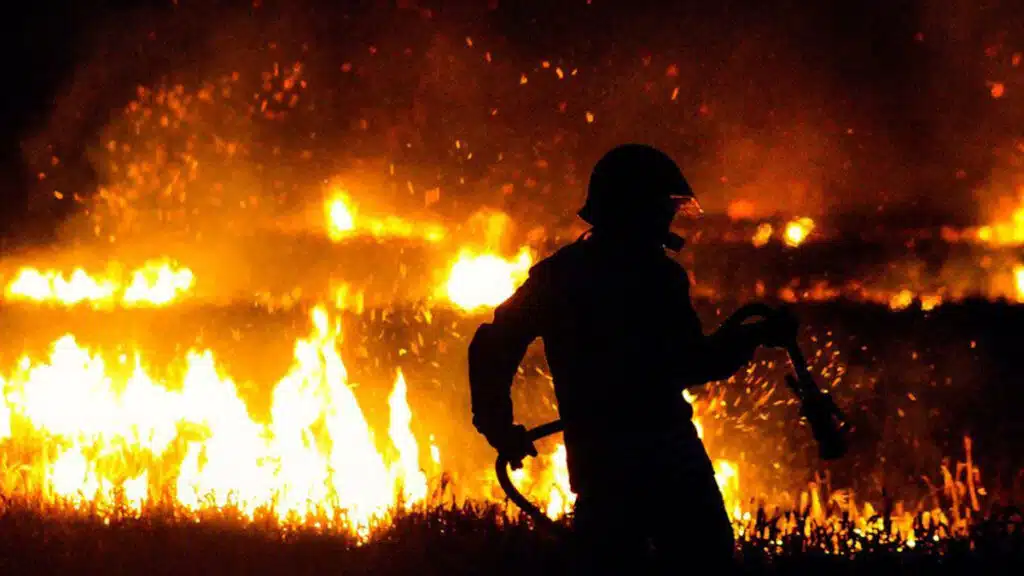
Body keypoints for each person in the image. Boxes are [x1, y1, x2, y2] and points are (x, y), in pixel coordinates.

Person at [468, 144, 794, 574]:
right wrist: (754, 336)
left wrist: (498, 425)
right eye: (661, 209)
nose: (668, 221)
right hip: (669, 463)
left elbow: (494, 343)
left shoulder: (560, 276)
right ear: (634, 210)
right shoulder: (658, 279)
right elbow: (692, 364)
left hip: (601, 466)